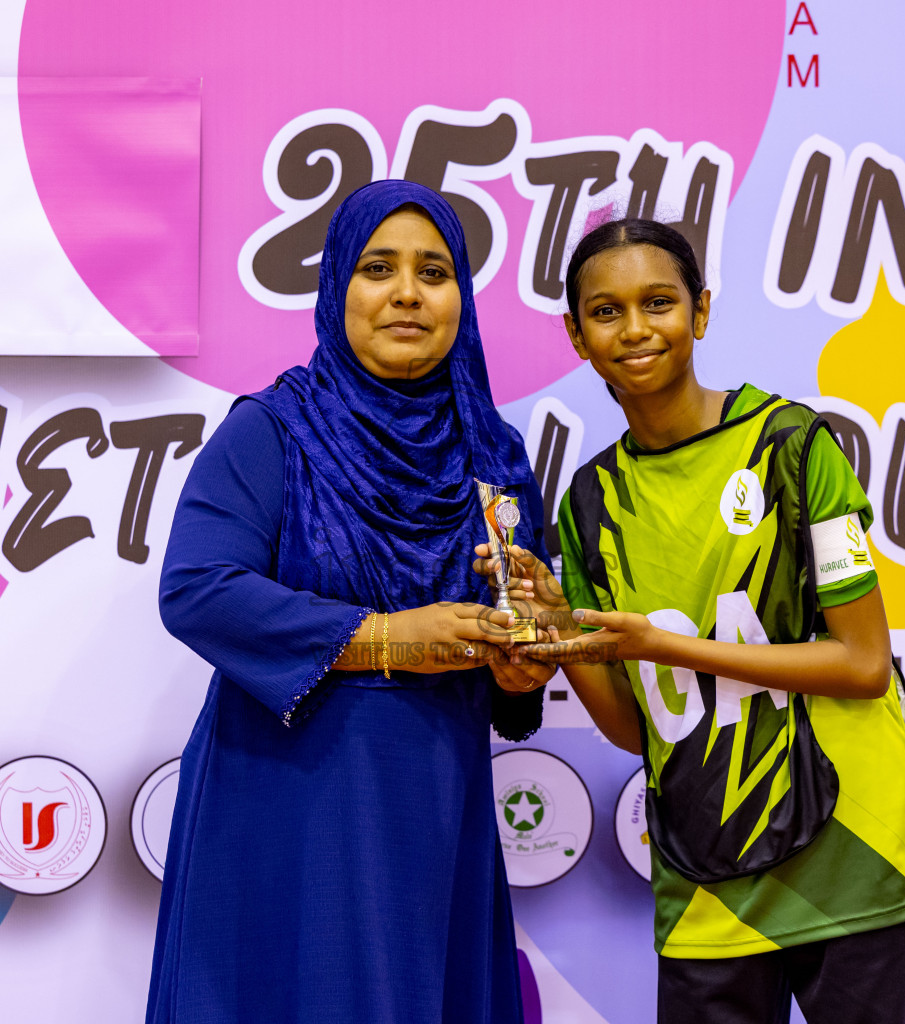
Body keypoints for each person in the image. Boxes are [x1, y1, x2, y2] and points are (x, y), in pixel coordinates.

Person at [483, 218, 905, 1024]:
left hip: (853, 856)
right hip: (705, 879)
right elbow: (635, 729)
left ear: (700, 312)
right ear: (575, 335)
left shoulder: (795, 447)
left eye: (658, 303)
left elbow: (864, 662)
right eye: (607, 311)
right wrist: (559, 629)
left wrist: (665, 644)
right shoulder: (589, 504)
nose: (635, 329)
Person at [148, 180, 554, 1024]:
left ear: (461, 299)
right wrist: (384, 637)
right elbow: (197, 588)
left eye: (434, 272)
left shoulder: (496, 459)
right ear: (339, 289)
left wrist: (524, 667)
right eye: (379, 268)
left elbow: (513, 670)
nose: (408, 293)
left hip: (437, 810)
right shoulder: (276, 429)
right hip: (290, 801)